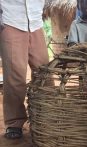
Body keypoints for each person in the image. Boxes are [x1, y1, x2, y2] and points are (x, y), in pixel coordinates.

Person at [0, 0, 49, 139]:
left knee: (44, 72)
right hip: (11, 20)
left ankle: (44, 115)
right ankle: (14, 122)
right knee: (15, 75)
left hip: (35, 22)